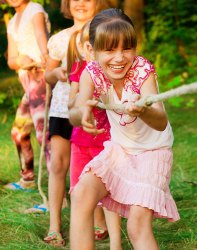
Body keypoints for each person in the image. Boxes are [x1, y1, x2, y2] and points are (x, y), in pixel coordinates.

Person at [69, 8, 180, 250]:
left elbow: (160, 121)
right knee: (81, 194)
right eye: (109, 49)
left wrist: (143, 110)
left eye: (126, 48)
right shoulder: (92, 72)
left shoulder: (143, 70)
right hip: (120, 151)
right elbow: (76, 112)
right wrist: (83, 112)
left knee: (137, 225)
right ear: (93, 51)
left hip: (153, 152)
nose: (119, 57)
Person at [43, 0, 109, 246]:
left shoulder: (105, 31)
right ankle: (54, 226)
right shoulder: (60, 39)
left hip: (93, 111)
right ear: (67, 4)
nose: (80, 3)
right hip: (63, 109)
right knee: (59, 165)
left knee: (94, 166)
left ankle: (98, 221)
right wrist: (57, 74)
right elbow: (47, 74)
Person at [67, 22, 122, 248]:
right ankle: (84, 235)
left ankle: (116, 243)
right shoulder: (80, 71)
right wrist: (82, 106)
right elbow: (72, 104)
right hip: (80, 143)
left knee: (110, 196)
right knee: (79, 193)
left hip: (106, 143)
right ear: (86, 48)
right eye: (89, 47)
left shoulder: (113, 71)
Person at [4, 0, 51, 191]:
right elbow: (11, 60)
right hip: (27, 81)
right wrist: (19, 60)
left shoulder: (35, 10)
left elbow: (41, 37)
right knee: (19, 131)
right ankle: (28, 178)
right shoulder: (13, 21)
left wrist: (46, 58)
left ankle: (59, 195)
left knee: (44, 135)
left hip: (39, 76)